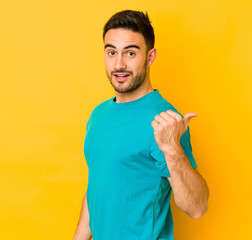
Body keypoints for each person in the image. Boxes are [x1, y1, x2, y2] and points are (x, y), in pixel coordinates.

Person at [73, 10, 209, 240]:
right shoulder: (99, 115)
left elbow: (197, 207)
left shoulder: (165, 120)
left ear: (150, 56)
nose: (119, 64)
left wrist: (172, 149)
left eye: (130, 53)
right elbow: (98, 187)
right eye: (111, 52)